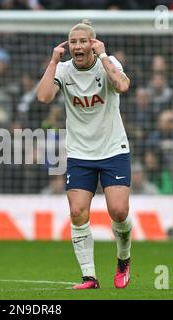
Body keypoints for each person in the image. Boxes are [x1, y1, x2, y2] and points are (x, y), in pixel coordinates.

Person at [37, 19, 132, 289]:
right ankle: (89, 276)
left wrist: (103, 56)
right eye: (74, 42)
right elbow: (43, 97)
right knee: (78, 212)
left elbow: (123, 86)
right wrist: (53, 62)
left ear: (93, 43)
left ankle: (123, 258)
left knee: (118, 210)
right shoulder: (64, 70)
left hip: (113, 149)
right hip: (80, 153)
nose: (78, 46)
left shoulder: (108, 62)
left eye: (83, 41)